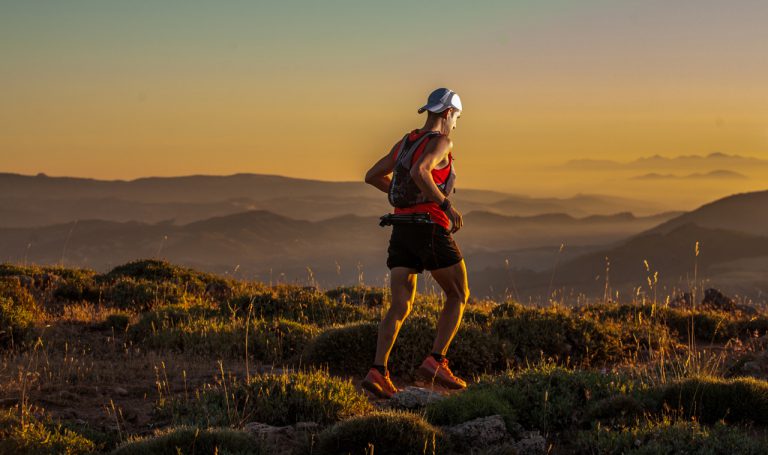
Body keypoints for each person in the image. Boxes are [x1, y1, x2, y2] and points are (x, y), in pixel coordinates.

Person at [362, 87, 470, 399]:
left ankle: (377, 371)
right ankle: (436, 361)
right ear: (448, 113)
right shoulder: (441, 142)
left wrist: (405, 197)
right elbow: (422, 170)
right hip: (429, 228)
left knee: (400, 305)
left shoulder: (406, 142)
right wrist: (446, 206)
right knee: (459, 293)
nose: (455, 124)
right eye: (457, 117)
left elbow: (372, 175)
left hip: (401, 230)